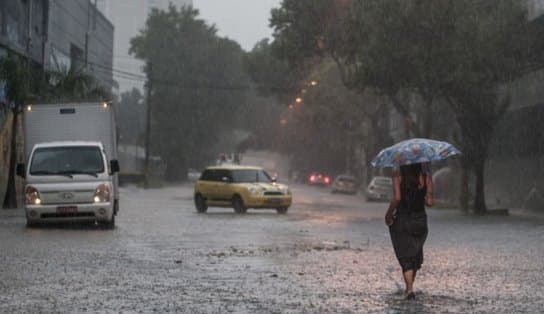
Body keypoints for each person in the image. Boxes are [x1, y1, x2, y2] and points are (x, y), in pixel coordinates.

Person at [385, 162, 433, 300]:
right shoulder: (426, 176)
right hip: (420, 220)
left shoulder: (397, 174)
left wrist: (388, 215)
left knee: (406, 256)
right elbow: (430, 202)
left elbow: (397, 198)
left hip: (404, 220)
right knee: (415, 254)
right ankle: (409, 287)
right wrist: (426, 190)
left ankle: (409, 290)